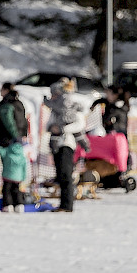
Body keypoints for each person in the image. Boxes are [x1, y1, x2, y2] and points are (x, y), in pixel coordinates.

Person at [47, 77, 88, 213]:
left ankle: (67, 205)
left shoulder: (72, 106)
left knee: (66, 175)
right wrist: (51, 128)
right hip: (56, 144)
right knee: (60, 175)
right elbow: (49, 123)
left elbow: (79, 124)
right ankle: (63, 204)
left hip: (66, 144)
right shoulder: (55, 109)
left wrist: (62, 129)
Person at [0, 82, 30, 211]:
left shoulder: (6, 104)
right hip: (19, 142)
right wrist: (22, 136)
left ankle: (8, 203)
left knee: (8, 177)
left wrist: (13, 135)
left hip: (7, 140)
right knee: (16, 177)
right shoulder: (19, 104)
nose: (0, 92)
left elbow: (8, 121)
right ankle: (18, 202)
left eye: (1, 89)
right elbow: (24, 121)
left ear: (6, 90)